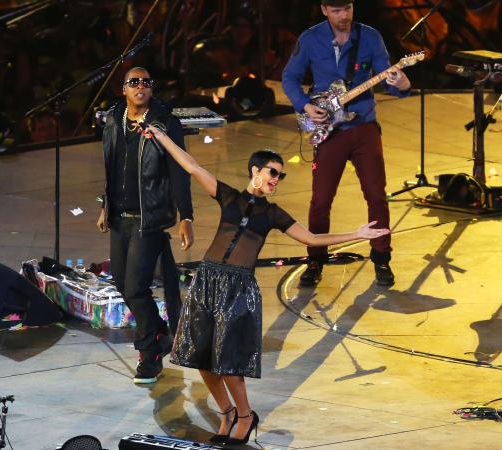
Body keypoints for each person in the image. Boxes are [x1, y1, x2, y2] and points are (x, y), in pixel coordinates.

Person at [145, 123, 390, 445]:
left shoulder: (272, 214)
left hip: (238, 288)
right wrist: (162, 137)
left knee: (228, 362)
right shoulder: (229, 197)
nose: (276, 179)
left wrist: (356, 235)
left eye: (280, 176)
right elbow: (192, 166)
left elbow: (312, 238)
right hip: (207, 280)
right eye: (273, 172)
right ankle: (227, 412)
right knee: (201, 360)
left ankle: (245, 415)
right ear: (255, 170)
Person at [281, 0, 412, 287]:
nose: (344, 16)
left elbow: (389, 80)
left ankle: (382, 259)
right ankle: (315, 260)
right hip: (330, 131)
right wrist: (304, 105)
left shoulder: (370, 37)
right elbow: (289, 77)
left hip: (364, 126)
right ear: (324, 9)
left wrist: (401, 83)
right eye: (337, 11)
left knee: (377, 196)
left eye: (348, 9)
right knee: (320, 201)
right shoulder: (310, 38)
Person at [96, 67, 194, 384]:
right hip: (119, 218)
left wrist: (186, 216)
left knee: (136, 287)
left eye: (146, 83)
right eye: (134, 82)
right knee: (124, 286)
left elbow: (180, 172)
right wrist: (105, 206)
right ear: (123, 88)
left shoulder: (165, 124)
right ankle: (159, 337)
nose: (140, 87)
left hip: (147, 219)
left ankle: (149, 353)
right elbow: (112, 168)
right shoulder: (113, 120)